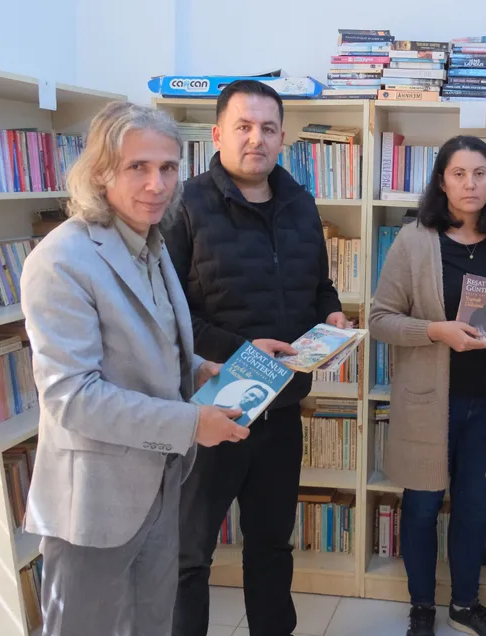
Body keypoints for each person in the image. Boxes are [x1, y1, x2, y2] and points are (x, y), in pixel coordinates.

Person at [19, 101, 251, 636]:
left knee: (152, 624)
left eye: (168, 168)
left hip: (159, 482)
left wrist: (195, 367)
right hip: (94, 502)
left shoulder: (151, 241)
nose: (157, 184)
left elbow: (151, 339)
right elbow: (73, 398)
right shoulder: (61, 260)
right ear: (101, 172)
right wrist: (191, 423)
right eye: (138, 167)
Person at [164, 79, 348, 636]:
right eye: (243, 127)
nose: (256, 139)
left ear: (282, 138)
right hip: (211, 408)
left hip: (282, 408)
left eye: (268, 128)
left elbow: (319, 285)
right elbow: (167, 315)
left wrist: (332, 315)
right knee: (188, 555)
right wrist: (239, 353)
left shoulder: (300, 203)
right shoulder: (184, 204)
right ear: (218, 134)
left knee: (271, 546)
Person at [369, 135, 486, 636]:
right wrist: (434, 331)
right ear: (441, 182)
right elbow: (379, 319)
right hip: (428, 403)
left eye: (480, 173)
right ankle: (422, 606)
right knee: (421, 507)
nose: (470, 184)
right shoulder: (414, 240)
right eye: (459, 174)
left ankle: (465, 604)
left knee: (474, 508)